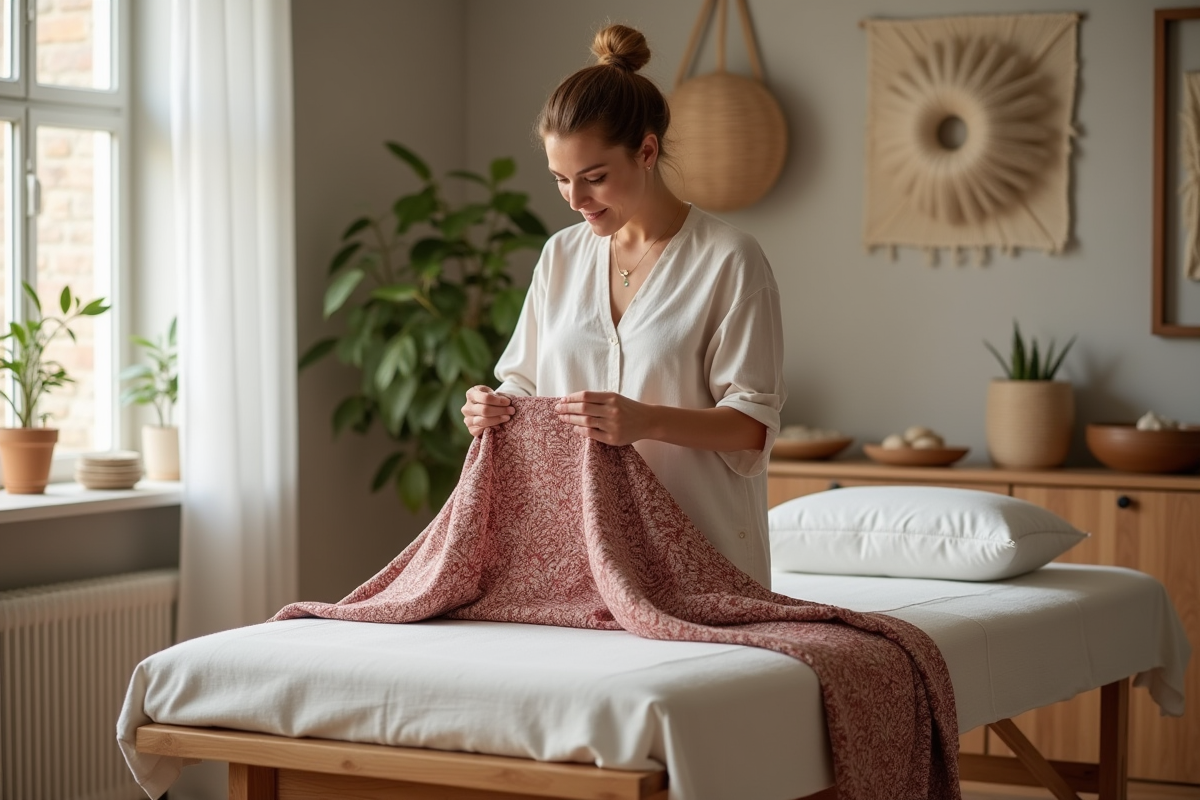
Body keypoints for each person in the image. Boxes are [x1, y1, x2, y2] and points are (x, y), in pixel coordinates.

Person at [460, 23, 785, 587]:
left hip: (702, 556)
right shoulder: (560, 255)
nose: (575, 200)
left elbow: (754, 423)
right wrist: (491, 407)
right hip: (584, 561)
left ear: (647, 151)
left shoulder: (730, 259)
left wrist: (646, 419)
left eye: (594, 178)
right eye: (560, 179)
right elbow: (525, 384)